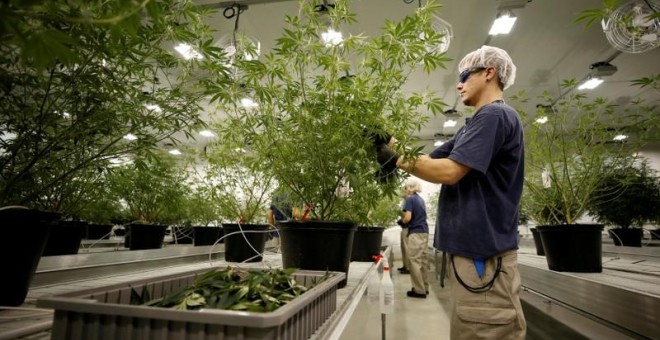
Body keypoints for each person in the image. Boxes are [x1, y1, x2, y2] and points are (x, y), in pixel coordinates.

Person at [376, 45, 526, 339]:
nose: (458, 84)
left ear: (488, 73)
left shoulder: (495, 116)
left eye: (465, 76)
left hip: (484, 257)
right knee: (470, 329)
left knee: (484, 330)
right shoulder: (471, 127)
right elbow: (431, 161)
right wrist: (389, 140)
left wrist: (394, 159)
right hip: (472, 254)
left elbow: (449, 172)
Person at [401, 180, 430, 298]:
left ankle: (418, 290)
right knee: (423, 261)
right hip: (424, 231)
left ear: (409, 189)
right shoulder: (421, 200)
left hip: (416, 232)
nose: (405, 190)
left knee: (414, 261)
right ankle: (425, 287)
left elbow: (408, 217)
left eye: (406, 188)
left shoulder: (410, 199)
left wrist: (402, 221)